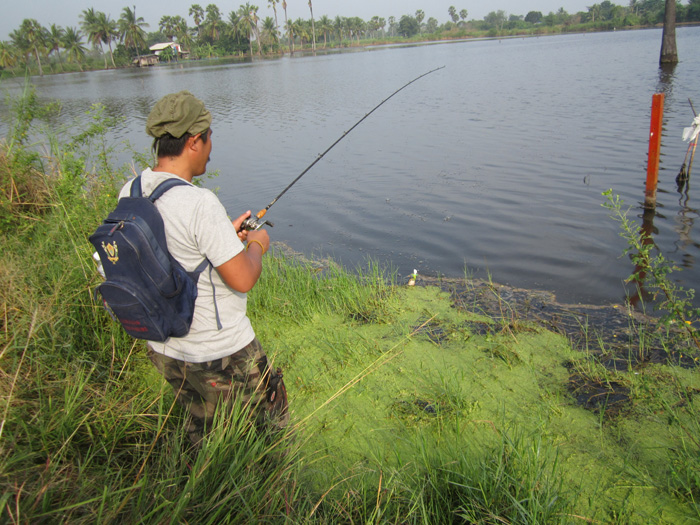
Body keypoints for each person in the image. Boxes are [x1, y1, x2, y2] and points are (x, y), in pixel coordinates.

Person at [118, 91, 288, 444]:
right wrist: (256, 245)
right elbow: (242, 279)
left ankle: (204, 491)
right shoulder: (199, 202)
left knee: (204, 432)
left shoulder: (132, 191)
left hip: (165, 350)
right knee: (265, 431)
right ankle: (268, 494)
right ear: (195, 141)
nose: (212, 148)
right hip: (219, 352)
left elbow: (170, 249)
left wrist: (224, 236)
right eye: (209, 139)